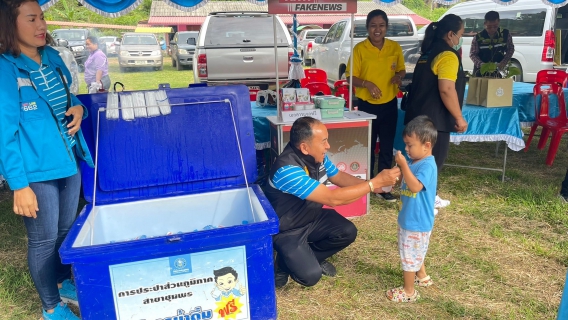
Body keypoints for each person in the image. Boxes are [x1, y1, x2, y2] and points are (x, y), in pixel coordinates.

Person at [0, 1, 94, 319]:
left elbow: (68, 96)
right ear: (9, 25)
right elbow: (4, 132)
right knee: (42, 239)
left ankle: (60, 281)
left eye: (41, 17)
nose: (41, 24)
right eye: (31, 19)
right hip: (35, 170)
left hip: (68, 159)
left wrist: (79, 107)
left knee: (66, 229)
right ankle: (51, 307)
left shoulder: (52, 58)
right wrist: (19, 185)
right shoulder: (6, 67)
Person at [265, 117, 401, 288]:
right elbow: (333, 199)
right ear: (305, 148)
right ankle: (283, 265)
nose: (328, 146)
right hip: (288, 229)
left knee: (347, 231)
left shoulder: (318, 158)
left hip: (311, 217)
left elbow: (339, 177)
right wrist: (374, 183)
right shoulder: (288, 170)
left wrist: (375, 187)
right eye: (323, 142)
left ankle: (307, 258)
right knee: (310, 276)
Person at [403, 14, 468, 210]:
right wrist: (458, 117)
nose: (460, 39)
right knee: (432, 164)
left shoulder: (427, 52)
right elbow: (446, 88)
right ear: (451, 34)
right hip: (435, 121)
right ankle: (426, 202)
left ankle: (419, 197)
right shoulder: (447, 55)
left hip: (418, 116)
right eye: (461, 34)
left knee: (417, 162)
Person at [345, 9, 406, 203]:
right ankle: (367, 185)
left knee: (387, 147)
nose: (377, 29)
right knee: (368, 147)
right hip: (366, 106)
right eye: (373, 25)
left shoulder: (394, 47)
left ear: (386, 27)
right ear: (367, 28)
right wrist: (367, 84)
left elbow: (402, 69)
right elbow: (350, 76)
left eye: (381, 25)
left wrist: (398, 76)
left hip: (389, 104)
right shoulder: (360, 49)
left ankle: (383, 187)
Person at [386, 116, 437, 303]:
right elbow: (408, 182)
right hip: (410, 217)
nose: (406, 149)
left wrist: (404, 165)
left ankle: (409, 291)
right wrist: (397, 178)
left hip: (416, 221)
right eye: (406, 145)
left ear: (426, 145)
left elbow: (415, 186)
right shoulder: (416, 161)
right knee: (415, 250)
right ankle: (422, 276)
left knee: (409, 255)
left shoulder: (428, 165)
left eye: (410, 145)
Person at [470, 11, 515, 77]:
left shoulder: (505, 34)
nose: (492, 29)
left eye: (495, 26)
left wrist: (504, 62)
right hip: (481, 72)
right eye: (489, 27)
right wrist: (482, 65)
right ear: (485, 23)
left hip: (498, 71)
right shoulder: (478, 37)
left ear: (498, 22)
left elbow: (510, 49)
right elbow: (473, 54)